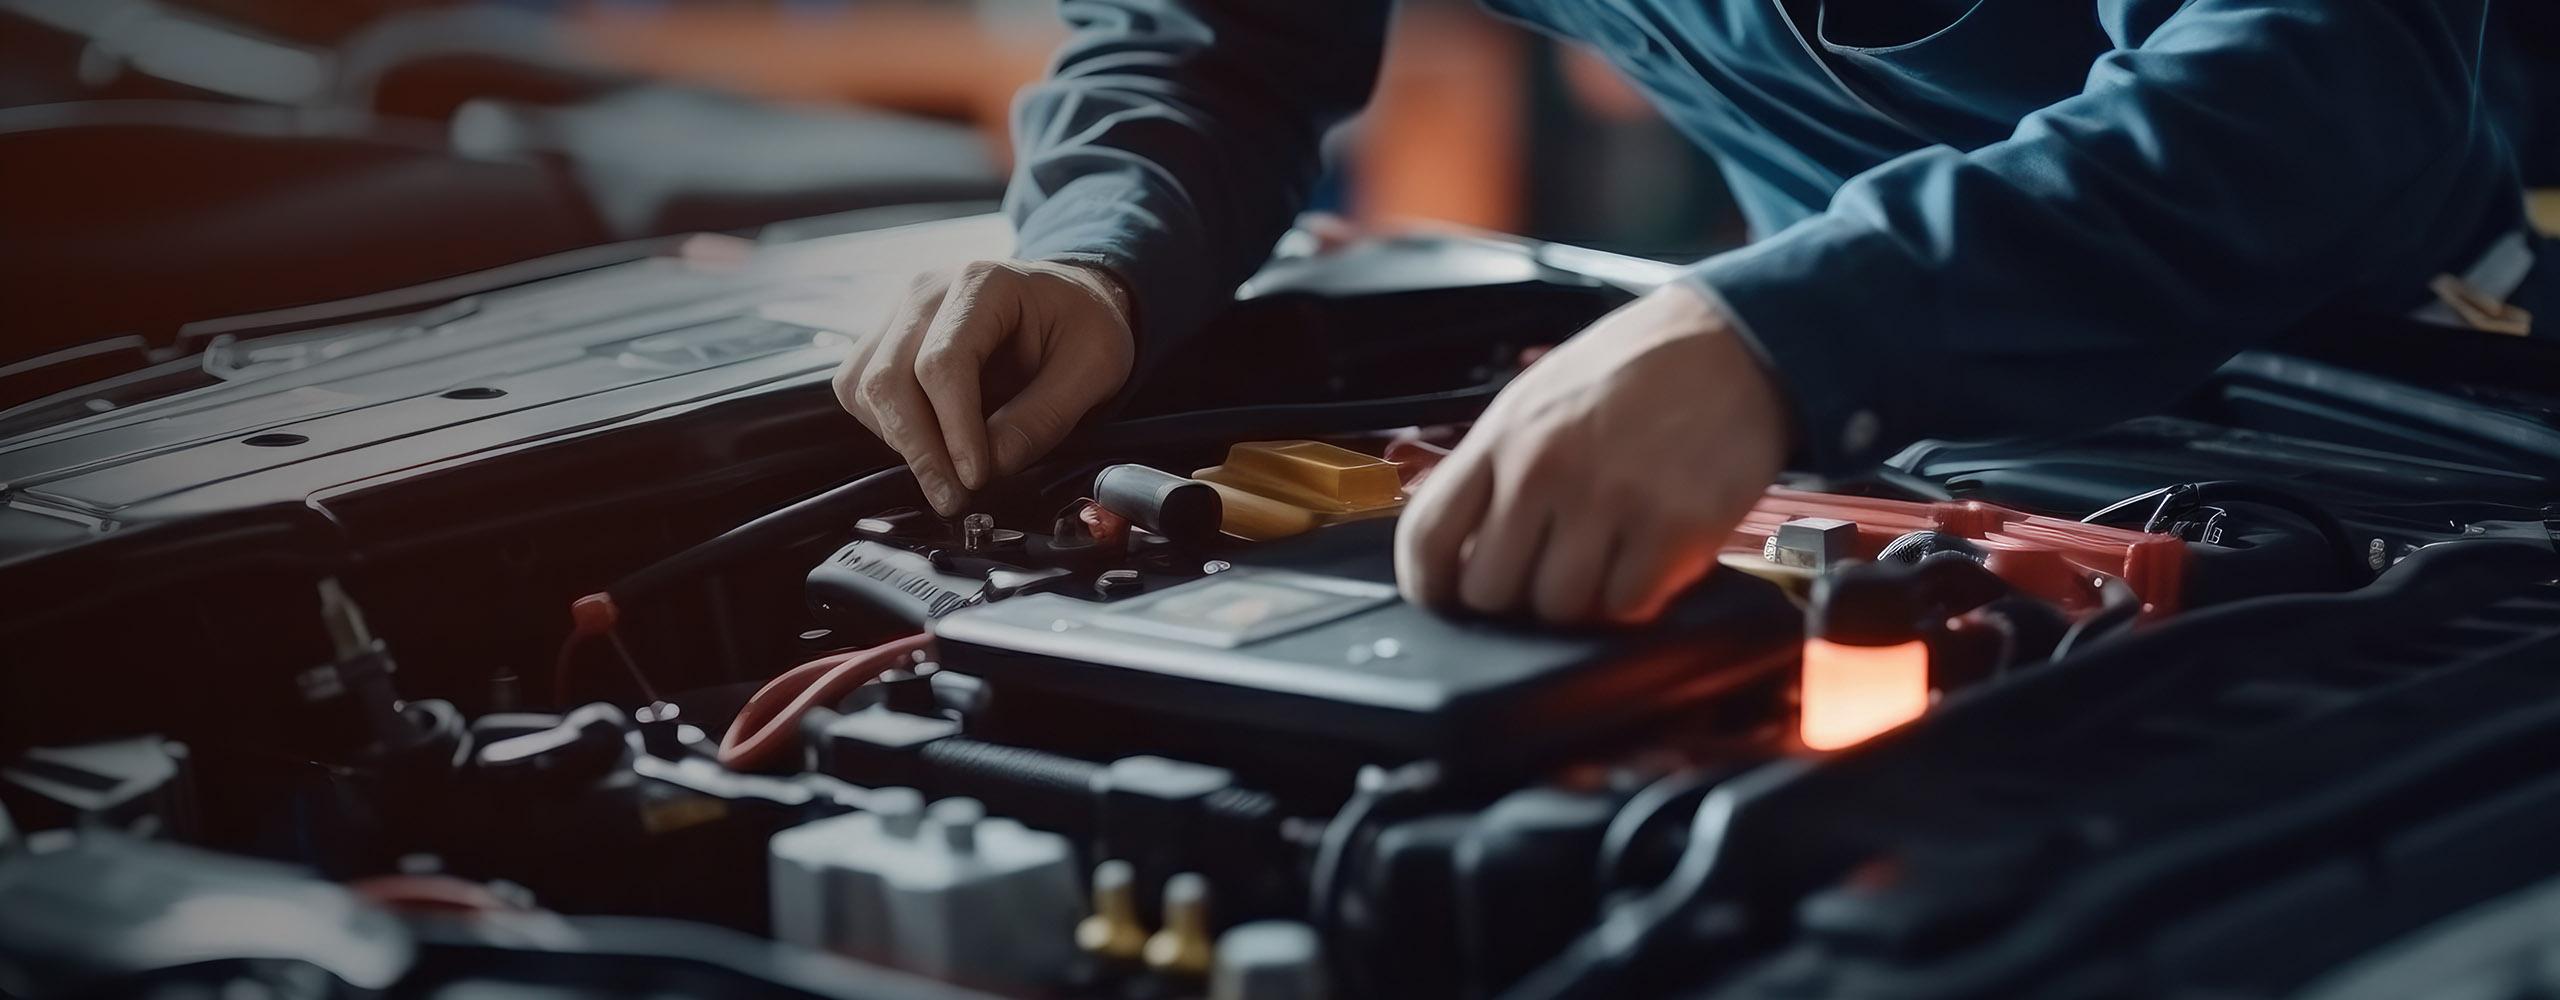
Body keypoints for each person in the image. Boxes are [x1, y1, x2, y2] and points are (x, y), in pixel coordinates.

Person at [834, 0, 2550, 625]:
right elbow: (1217, 28)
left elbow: (2316, 86)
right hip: (1947, 430)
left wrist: (1779, 337)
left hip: (2453, 416)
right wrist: (1097, 247)